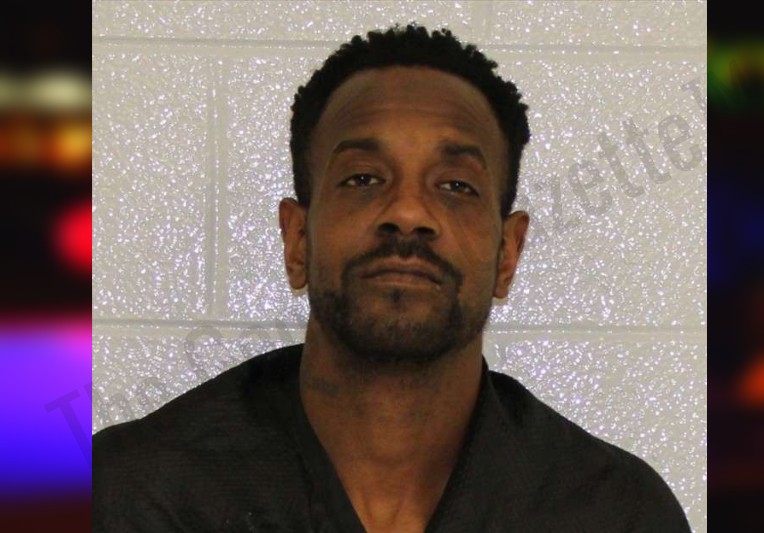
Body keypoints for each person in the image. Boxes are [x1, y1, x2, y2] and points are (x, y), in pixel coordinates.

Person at [93, 25, 691, 532]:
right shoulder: (133, 498)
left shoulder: (614, 513)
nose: (408, 212)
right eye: (363, 179)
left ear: (507, 254)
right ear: (297, 240)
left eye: (455, 186)